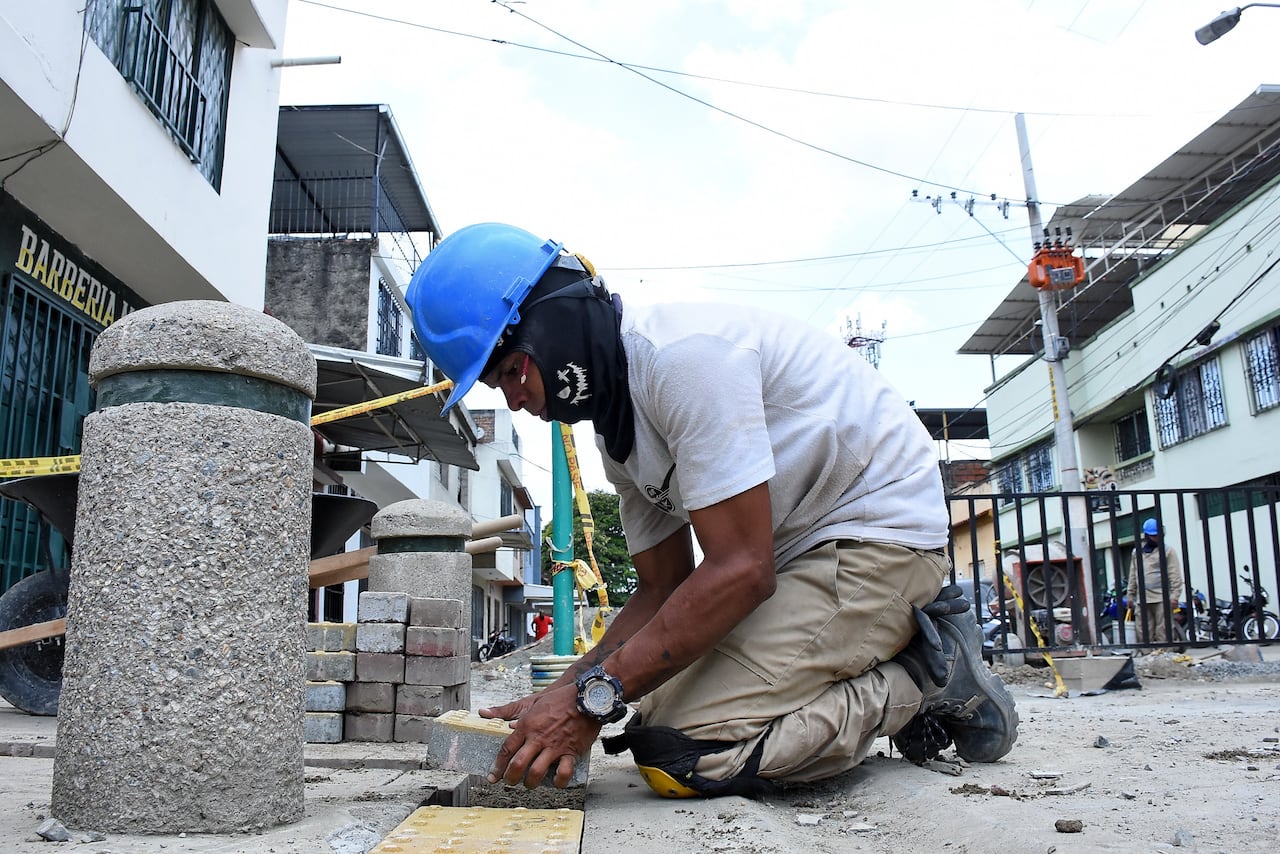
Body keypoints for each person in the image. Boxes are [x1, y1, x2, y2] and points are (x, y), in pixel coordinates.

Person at [406, 223, 1018, 796]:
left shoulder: (684, 361)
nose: (515, 399)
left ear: (556, 321)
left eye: (513, 368)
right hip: (797, 558)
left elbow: (742, 571)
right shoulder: (619, 437)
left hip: (878, 541)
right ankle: (878, 663)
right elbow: (660, 590)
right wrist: (567, 690)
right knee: (648, 703)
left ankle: (922, 678)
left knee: (685, 751)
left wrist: (591, 699)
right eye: (495, 384)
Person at [1126, 518, 1184, 647]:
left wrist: (1174, 596)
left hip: (1161, 598)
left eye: (1159, 535)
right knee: (1143, 631)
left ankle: (1164, 657)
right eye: (1154, 536)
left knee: (1163, 630)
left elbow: (1175, 576)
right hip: (1143, 599)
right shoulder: (1137, 553)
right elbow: (1133, 575)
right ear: (1147, 536)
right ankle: (1147, 657)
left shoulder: (1167, 551)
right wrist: (1130, 595)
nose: (1157, 538)